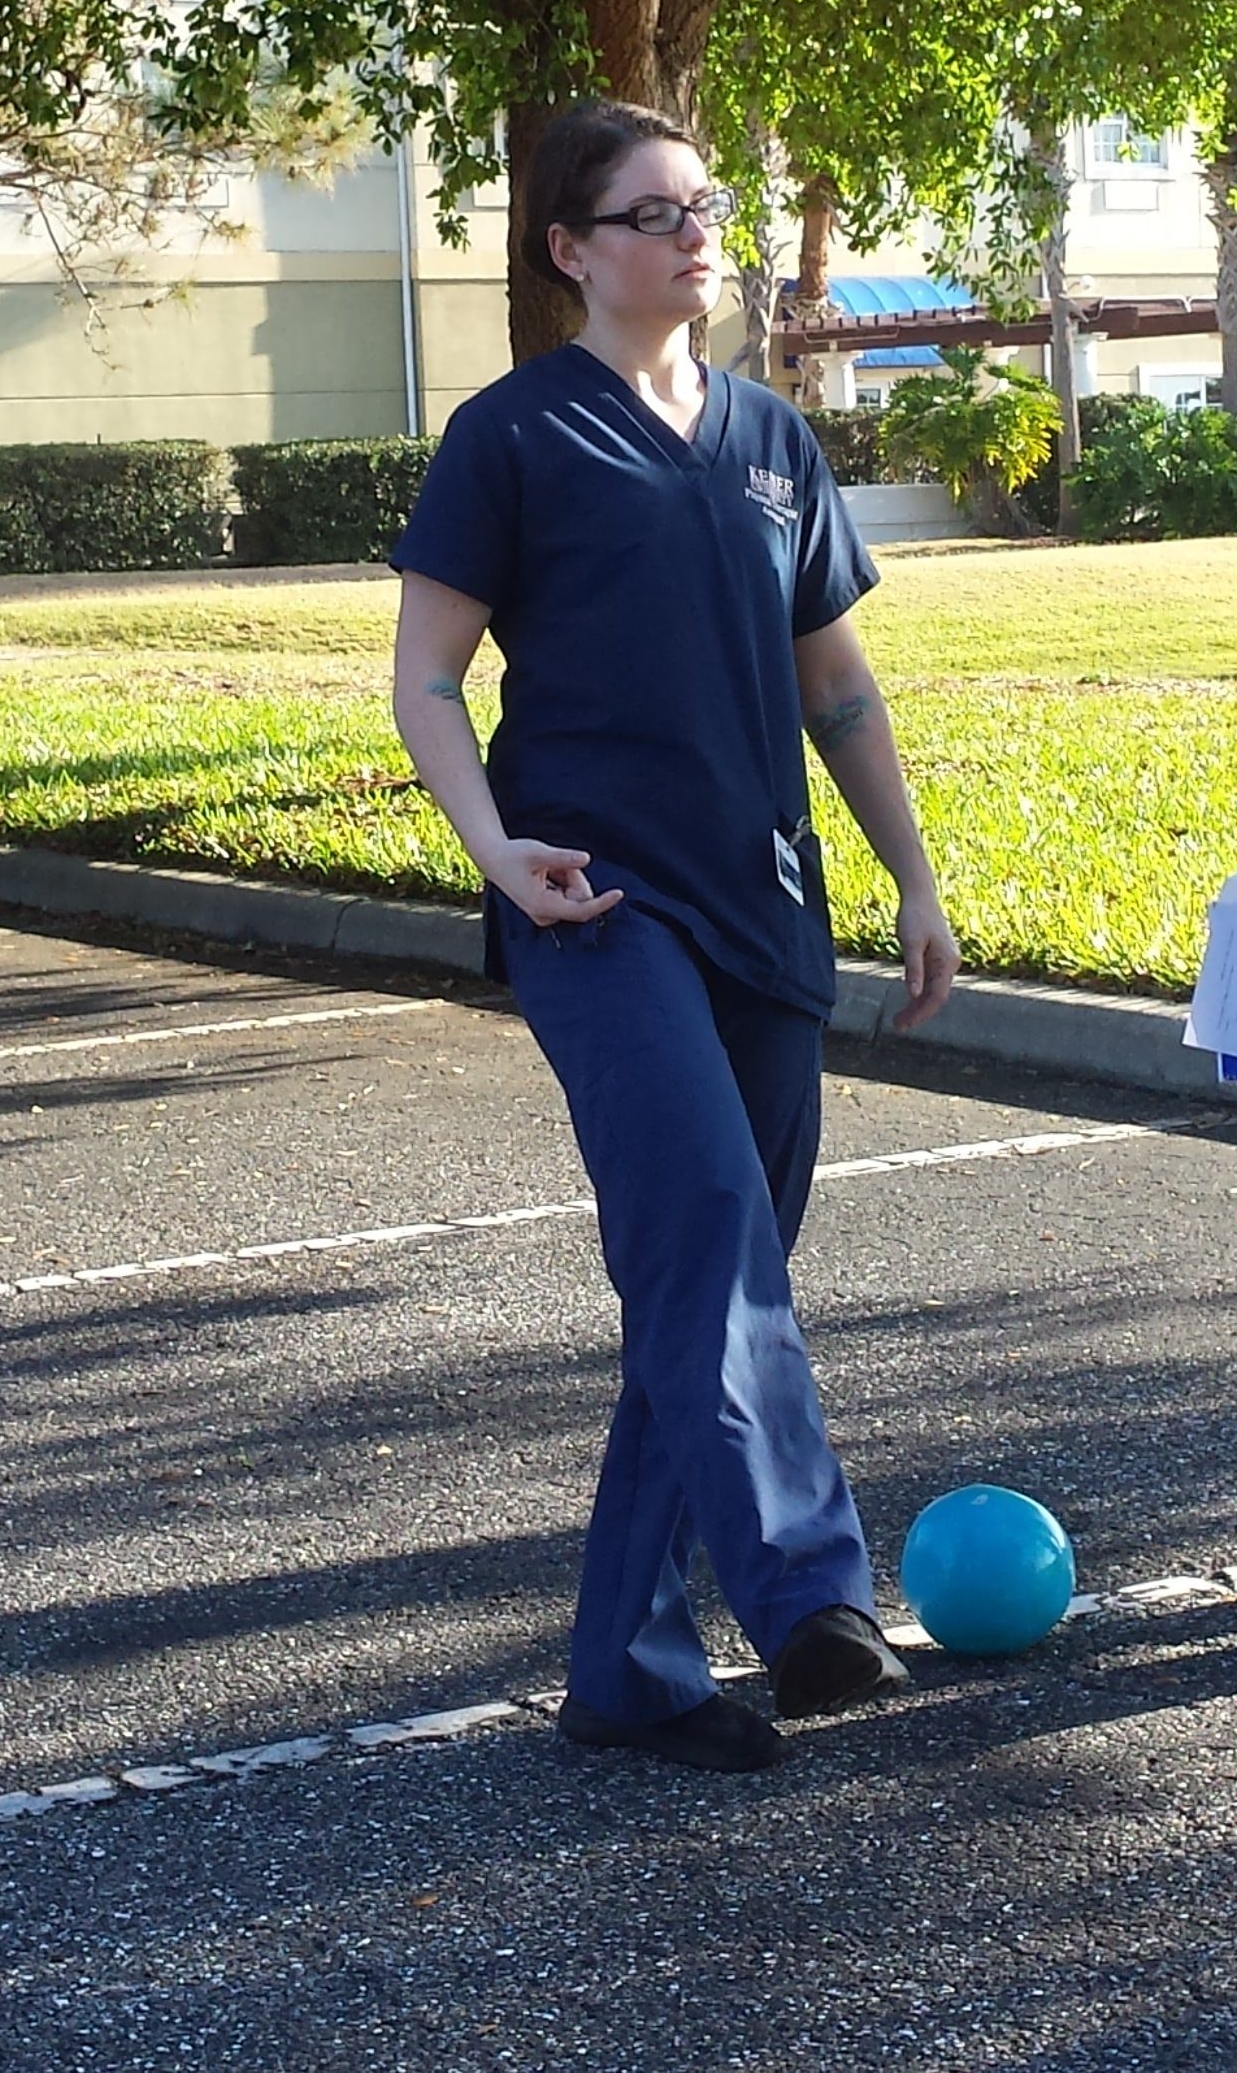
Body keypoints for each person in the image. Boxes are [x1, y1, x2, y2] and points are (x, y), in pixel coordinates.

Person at [386, 98, 961, 1775]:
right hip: (597, 906)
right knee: (704, 1225)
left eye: (703, 205)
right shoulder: (509, 437)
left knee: (716, 1278)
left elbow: (835, 684)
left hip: (765, 904)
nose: (695, 233)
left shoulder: (775, 440)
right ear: (570, 248)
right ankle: (807, 1598)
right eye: (652, 212)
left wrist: (911, 882)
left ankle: (627, 1670)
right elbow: (426, 678)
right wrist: (493, 851)